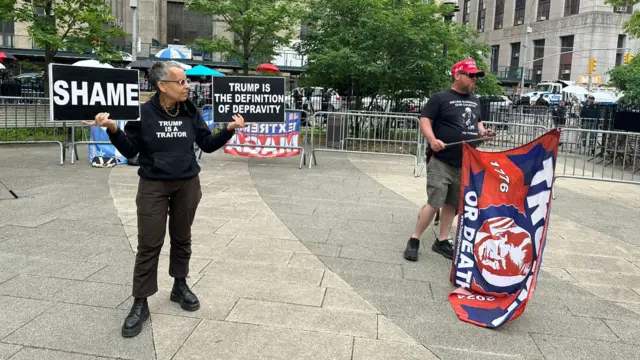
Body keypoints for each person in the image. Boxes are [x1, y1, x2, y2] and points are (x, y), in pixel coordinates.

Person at [83, 61, 246, 338]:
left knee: (183, 237)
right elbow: (130, 149)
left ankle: (179, 285)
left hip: (187, 183)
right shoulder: (142, 113)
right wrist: (112, 128)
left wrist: (229, 129)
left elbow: (206, 144)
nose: (187, 86)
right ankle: (140, 302)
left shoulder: (191, 111)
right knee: (149, 243)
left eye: (186, 81)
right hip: (153, 186)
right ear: (162, 86)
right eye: (180, 82)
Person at [403, 59, 492, 262]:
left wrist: (483, 132)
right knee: (435, 201)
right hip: (441, 160)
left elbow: (477, 123)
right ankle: (414, 239)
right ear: (457, 75)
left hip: (466, 161)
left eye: (476, 76)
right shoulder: (440, 98)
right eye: (471, 75)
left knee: (452, 204)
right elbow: (425, 120)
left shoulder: (475, 100)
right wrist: (432, 140)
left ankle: (442, 241)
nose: (474, 80)